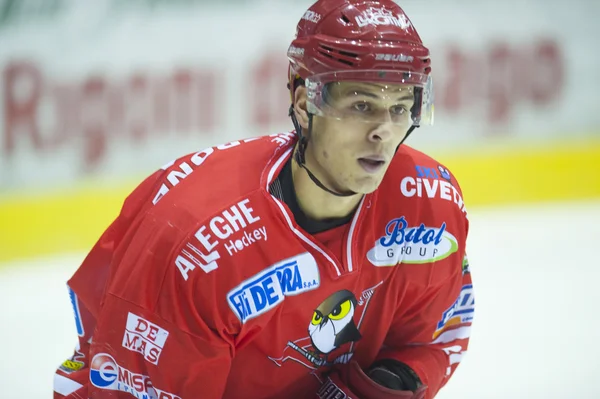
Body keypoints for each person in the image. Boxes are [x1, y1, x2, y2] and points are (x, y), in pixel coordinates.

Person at [53, 1, 474, 398]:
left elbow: (437, 336)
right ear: (303, 101)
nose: (384, 132)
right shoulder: (200, 247)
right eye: (362, 104)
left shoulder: (430, 205)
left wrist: (389, 381)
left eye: (400, 108)